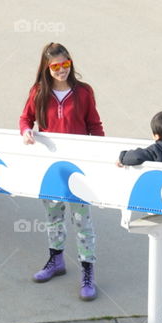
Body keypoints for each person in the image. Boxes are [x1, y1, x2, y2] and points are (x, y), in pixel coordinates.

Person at [19, 43, 104, 301]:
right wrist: (26, 132)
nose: (61, 70)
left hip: (77, 169)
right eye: (55, 66)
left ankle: (87, 272)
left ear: (70, 63)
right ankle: (56, 261)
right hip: (50, 168)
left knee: (82, 221)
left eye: (65, 64)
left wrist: (98, 159)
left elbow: (95, 126)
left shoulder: (84, 92)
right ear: (47, 68)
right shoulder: (38, 92)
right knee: (53, 216)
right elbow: (25, 119)